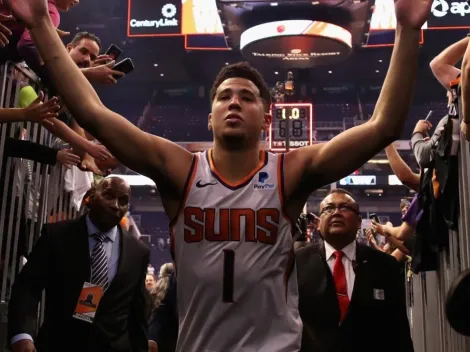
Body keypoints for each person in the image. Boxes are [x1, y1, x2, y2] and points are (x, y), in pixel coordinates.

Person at [5, 0, 432, 350]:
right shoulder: (181, 168)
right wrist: (41, 22)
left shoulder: (291, 171)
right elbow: (93, 114)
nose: (233, 102)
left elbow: (383, 127)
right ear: (209, 116)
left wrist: (407, 31)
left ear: (266, 119)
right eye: (224, 96)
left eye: (246, 97)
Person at [8, 177, 150, 352]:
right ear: (91, 196)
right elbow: (28, 288)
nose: (115, 205)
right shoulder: (56, 235)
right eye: (108, 195)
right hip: (60, 344)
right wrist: (22, 335)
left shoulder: (138, 252)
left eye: (123, 201)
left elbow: (138, 313)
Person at [295, 189, 414, 352]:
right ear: (319, 222)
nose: (336, 212)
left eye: (344, 207)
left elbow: (398, 329)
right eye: (328, 209)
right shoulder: (297, 263)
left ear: (359, 222)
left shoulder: (386, 265)